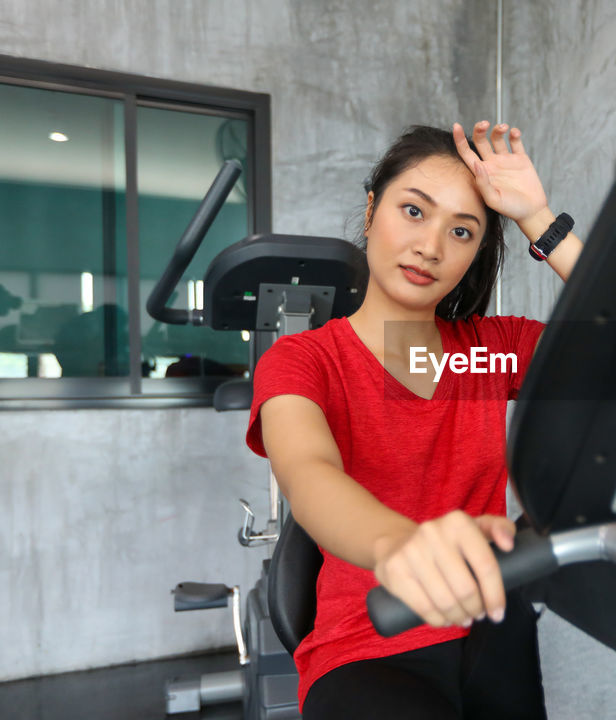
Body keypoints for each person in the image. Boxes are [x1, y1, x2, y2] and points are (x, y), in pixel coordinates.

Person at [245, 121, 582, 719]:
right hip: (368, 643)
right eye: (413, 211)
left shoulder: (490, 349)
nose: (431, 247)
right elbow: (309, 473)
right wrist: (404, 545)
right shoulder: (302, 360)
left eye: (461, 231)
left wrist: (537, 216)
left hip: (492, 628)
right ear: (372, 210)